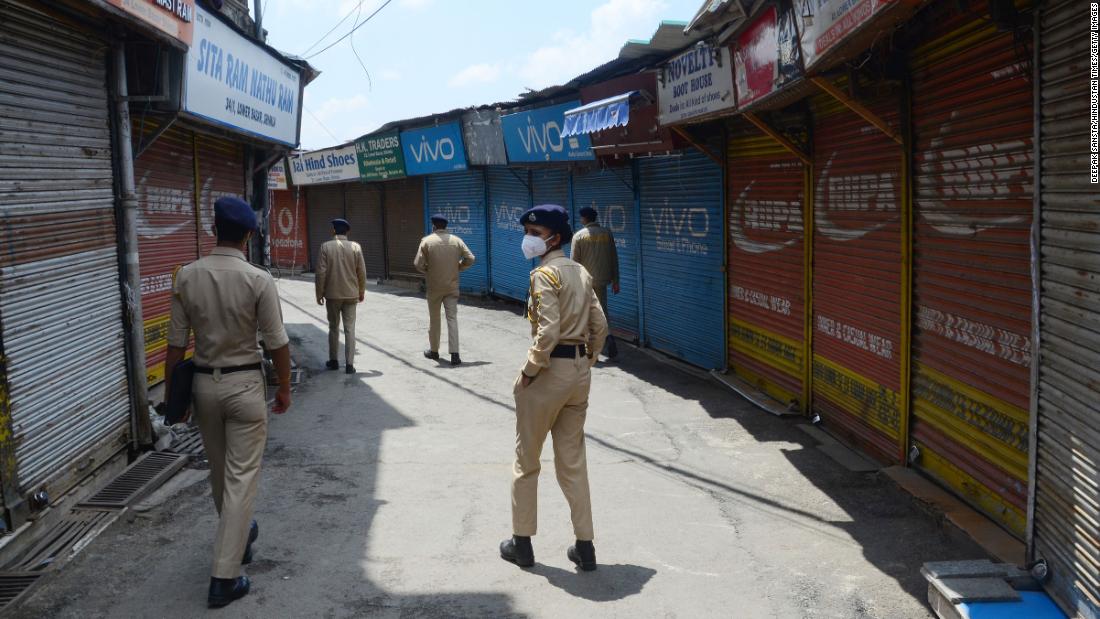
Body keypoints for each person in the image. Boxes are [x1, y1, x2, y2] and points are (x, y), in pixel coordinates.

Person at [163, 196, 292, 609]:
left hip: (203, 387)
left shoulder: (186, 276)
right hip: (244, 387)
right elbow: (277, 343)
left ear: (213, 230)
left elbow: (174, 347)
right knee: (240, 479)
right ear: (250, 235)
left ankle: (239, 535)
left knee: (221, 476)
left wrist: (173, 399)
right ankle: (225, 577)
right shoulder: (258, 279)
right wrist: (285, 386)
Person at [500, 204, 608, 572]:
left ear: (554, 238)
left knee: (526, 460)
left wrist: (530, 371)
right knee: (573, 462)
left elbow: (546, 332)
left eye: (535, 232)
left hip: (548, 373)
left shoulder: (545, 275)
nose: (528, 239)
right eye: (528, 231)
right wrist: (587, 359)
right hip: (579, 374)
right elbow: (601, 325)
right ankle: (585, 547)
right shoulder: (580, 272)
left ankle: (522, 544)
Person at [414, 214, 475, 366]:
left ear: (434, 226)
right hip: (452, 286)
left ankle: (434, 351)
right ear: (446, 226)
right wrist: (458, 267)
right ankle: (455, 354)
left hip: (434, 287)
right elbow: (471, 258)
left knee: (435, 319)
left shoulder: (427, 241)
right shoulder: (456, 241)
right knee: (452, 319)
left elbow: (418, 264)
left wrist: (428, 270)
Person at [315, 218, 367, 374]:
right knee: (350, 329)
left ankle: (334, 361)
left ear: (333, 231)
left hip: (332, 295)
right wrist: (361, 291)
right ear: (348, 232)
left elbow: (320, 273)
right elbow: (362, 272)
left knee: (333, 327)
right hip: (351, 295)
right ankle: (350, 365)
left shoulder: (325, 247)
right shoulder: (356, 247)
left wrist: (319, 293)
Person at [571, 206, 620, 360]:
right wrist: (616, 280)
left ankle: (592, 352)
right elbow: (614, 258)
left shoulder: (578, 236)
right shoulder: (607, 233)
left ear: (584, 219)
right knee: (602, 311)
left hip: (586, 282)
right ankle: (610, 337)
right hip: (603, 280)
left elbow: (574, 263)